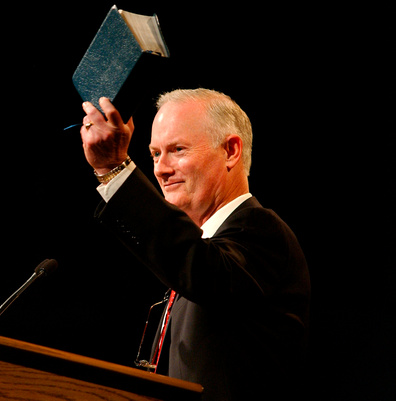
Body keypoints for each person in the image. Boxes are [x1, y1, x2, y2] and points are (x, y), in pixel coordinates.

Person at [79, 88, 311, 401]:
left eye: (177, 149)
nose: (160, 168)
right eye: (155, 154)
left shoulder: (262, 232)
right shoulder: (203, 254)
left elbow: (200, 268)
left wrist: (115, 170)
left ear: (230, 151)